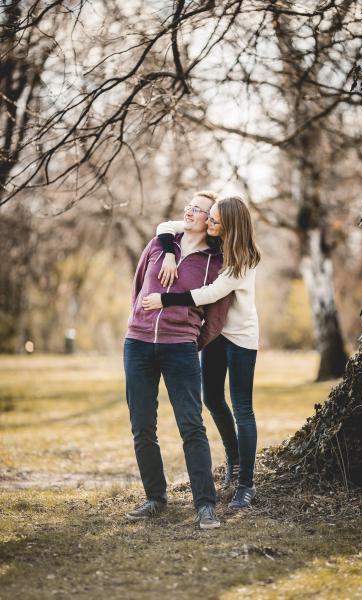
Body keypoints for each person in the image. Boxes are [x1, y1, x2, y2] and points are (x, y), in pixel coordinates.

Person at [142, 196, 261, 510]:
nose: (208, 223)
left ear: (229, 226)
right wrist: (169, 252)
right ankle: (233, 460)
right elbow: (165, 226)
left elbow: (210, 293)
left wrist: (165, 301)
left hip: (241, 340)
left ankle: (246, 484)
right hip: (216, 335)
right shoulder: (217, 241)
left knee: (243, 408)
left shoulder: (244, 260)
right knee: (211, 397)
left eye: (215, 220)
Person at [124, 190, 231, 530]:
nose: (190, 211)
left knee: (192, 426)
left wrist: (190, 340)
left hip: (180, 348)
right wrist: (135, 324)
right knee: (142, 426)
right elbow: (139, 285)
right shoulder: (159, 245)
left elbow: (216, 315)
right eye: (189, 205)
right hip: (138, 344)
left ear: (210, 220)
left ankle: (205, 505)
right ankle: (155, 498)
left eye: (199, 209)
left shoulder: (216, 263)